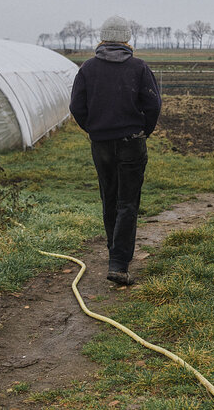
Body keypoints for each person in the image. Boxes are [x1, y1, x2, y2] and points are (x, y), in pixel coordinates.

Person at [69, 15, 161, 286]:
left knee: (109, 198)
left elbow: (77, 106)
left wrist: (94, 130)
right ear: (126, 39)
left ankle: (114, 251)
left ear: (102, 38)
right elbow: (153, 105)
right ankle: (119, 263)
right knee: (127, 202)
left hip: (101, 144)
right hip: (131, 141)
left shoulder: (87, 68)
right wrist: (145, 131)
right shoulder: (139, 67)